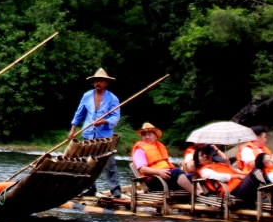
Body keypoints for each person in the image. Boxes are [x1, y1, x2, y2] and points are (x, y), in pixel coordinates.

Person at [69, 68, 124, 199]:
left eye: (101, 81)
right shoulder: (87, 96)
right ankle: (90, 188)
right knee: (88, 162)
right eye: (96, 81)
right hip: (88, 134)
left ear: (106, 83)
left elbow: (115, 118)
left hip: (105, 136)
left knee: (109, 163)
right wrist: (73, 129)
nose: (98, 83)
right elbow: (79, 113)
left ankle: (115, 189)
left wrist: (104, 121)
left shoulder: (113, 99)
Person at [131, 123, 195, 195]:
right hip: (154, 180)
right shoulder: (139, 151)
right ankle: (195, 193)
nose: (147, 136)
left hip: (167, 177)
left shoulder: (159, 147)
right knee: (177, 171)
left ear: (155, 136)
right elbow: (142, 169)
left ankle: (204, 192)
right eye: (144, 135)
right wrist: (159, 172)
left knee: (191, 176)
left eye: (149, 134)